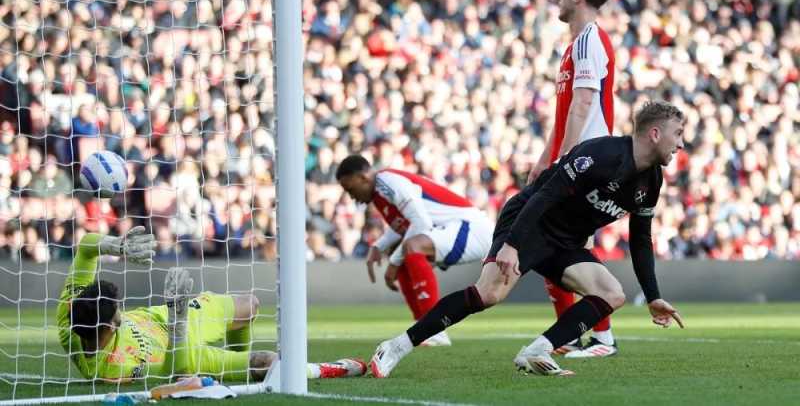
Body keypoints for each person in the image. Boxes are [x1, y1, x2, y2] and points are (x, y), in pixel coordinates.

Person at [370, 100, 686, 378]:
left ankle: (536, 351)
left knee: (611, 293)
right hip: (530, 222)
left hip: (567, 240)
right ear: (655, 134)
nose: (681, 144)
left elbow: (641, 239)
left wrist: (652, 295)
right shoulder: (600, 154)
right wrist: (512, 244)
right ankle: (396, 346)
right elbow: (545, 194)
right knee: (488, 294)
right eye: (678, 134)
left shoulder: (652, 181)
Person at [58, 227, 365, 382]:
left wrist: (117, 245)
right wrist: (178, 325)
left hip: (165, 315)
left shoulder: (71, 310)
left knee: (250, 304)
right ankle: (328, 369)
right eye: (118, 315)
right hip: (180, 350)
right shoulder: (113, 369)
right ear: (110, 328)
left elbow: (86, 248)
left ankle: (238, 366)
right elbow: (169, 373)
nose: (123, 316)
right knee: (268, 364)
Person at [526, 0, 618, 357]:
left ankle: (599, 336)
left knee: (553, 243)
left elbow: (583, 103)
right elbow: (566, 111)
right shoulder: (575, 46)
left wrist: (565, 161)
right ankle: (585, 335)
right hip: (580, 159)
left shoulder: (588, 42)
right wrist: (546, 158)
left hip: (589, 160)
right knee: (556, 244)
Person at [336, 156, 493, 347]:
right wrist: (378, 246)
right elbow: (404, 224)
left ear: (363, 178)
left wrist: (393, 263)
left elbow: (420, 223)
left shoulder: (387, 182)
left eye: (351, 189)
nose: (352, 197)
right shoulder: (378, 192)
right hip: (454, 228)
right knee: (404, 251)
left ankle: (435, 331)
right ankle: (422, 327)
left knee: (411, 246)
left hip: (472, 229)